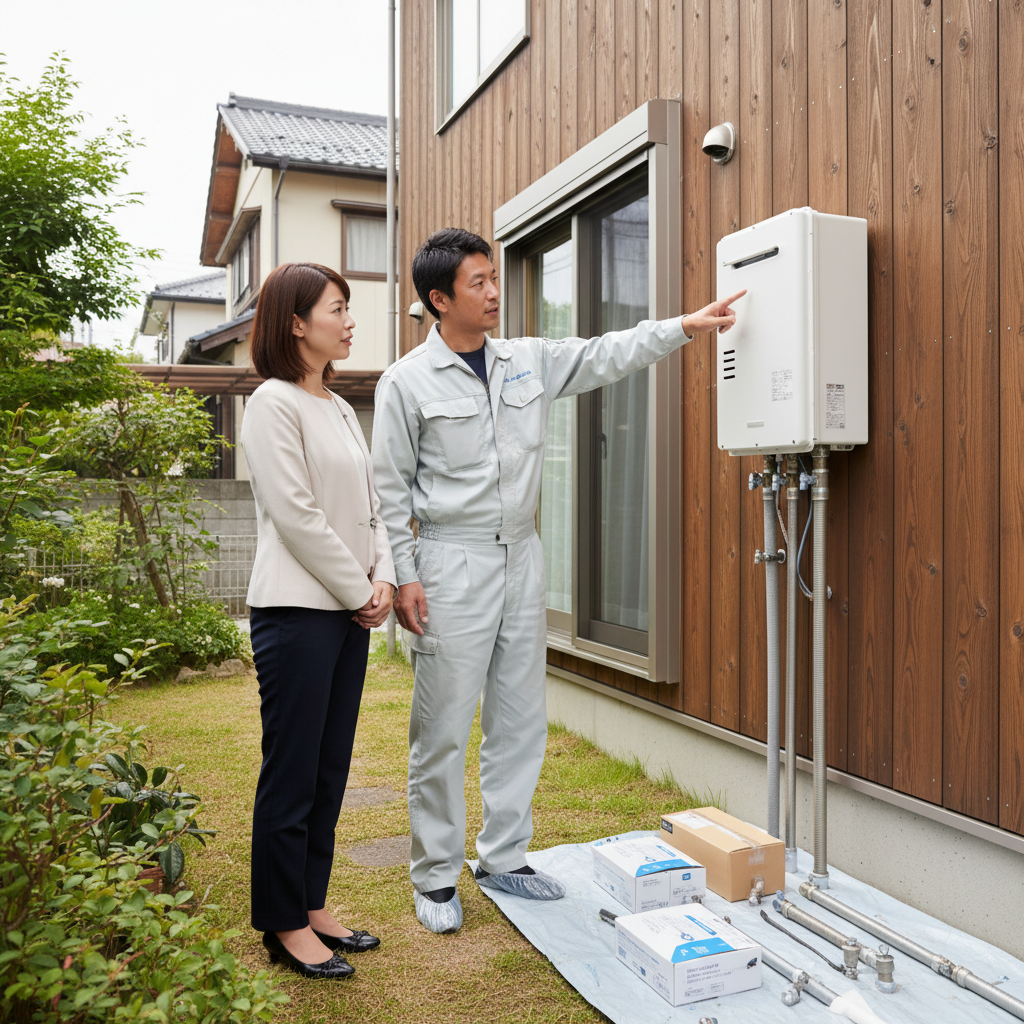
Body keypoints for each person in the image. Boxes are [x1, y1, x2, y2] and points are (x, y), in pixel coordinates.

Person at [371, 228, 745, 934]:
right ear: (439, 299)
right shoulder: (406, 383)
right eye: (478, 283)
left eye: (493, 277)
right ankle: (435, 876)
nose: (493, 292)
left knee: (519, 719)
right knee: (443, 728)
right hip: (450, 562)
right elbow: (388, 491)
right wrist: (405, 576)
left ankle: (504, 857)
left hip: (523, 555)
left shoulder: (526, 360)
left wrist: (685, 328)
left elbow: (605, 353)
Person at [242, 262, 397, 977]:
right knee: (293, 769)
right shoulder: (271, 403)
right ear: (296, 323)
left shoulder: (335, 405)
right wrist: (359, 588)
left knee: (330, 766)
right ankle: (282, 923)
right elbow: (296, 516)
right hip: (296, 611)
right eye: (338, 308)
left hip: (344, 610)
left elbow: (371, 506)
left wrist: (383, 575)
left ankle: (311, 903)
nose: (349, 320)